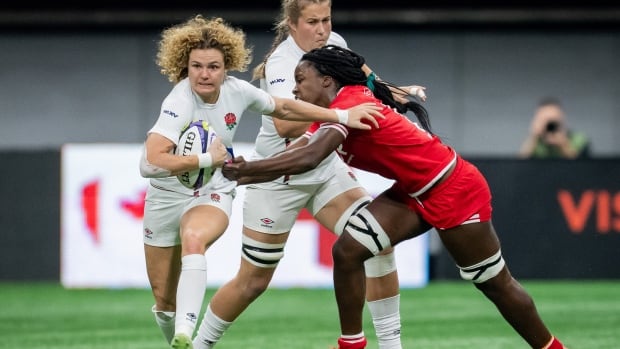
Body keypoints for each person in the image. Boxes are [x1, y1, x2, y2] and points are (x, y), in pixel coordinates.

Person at [222, 45, 568, 349]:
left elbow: (309, 158)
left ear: (326, 81)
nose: (295, 87)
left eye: (301, 78)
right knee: (347, 251)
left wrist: (245, 173)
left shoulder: (351, 103)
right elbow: (301, 150)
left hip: (454, 188)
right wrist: (250, 166)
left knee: (494, 284)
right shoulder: (335, 114)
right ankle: (352, 345)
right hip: (414, 191)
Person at [190, 2, 426, 349]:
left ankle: (392, 346)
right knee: (252, 281)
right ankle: (199, 345)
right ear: (292, 24)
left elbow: (368, 82)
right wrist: (343, 110)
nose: (321, 29)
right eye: (312, 22)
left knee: (377, 244)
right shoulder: (283, 64)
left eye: (326, 20)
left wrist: (397, 92)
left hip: (325, 168)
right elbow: (286, 123)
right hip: (278, 175)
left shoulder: (336, 45)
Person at [139, 16, 382, 349]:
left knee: (194, 238)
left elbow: (282, 106)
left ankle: (187, 335)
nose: (205, 73)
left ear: (228, 67)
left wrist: (340, 116)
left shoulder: (237, 91)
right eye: (196, 66)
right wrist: (207, 159)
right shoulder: (179, 102)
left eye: (213, 66)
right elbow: (150, 163)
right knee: (164, 303)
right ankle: (179, 333)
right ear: (185, 67)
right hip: (166, 196)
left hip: (211, 191)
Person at [519, 97, 590, 159]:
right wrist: (533, 137)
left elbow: (582, 167)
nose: (549, 125)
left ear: (561, 119)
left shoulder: (578, 140)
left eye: (553, 121)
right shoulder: (535, 143)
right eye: (545, 120)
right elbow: (519, 166)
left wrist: (563, 144)